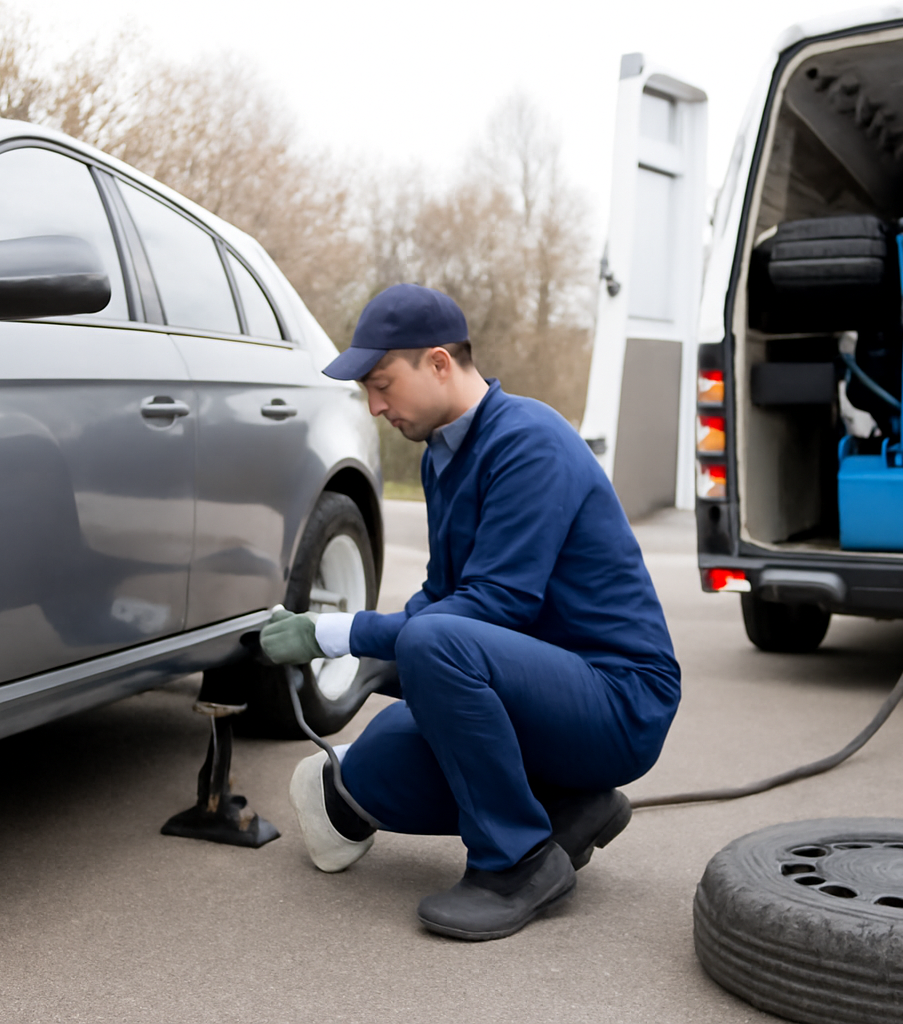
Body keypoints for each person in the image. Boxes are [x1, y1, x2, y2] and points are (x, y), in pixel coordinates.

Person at [260, 283, 681, 941]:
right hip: (536, 691)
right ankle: (570, 806)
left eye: (381, 383)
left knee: (434, 645)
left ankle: (517, 862)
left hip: (617, 699)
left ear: (437, 363)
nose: (374, 406)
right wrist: (379, 660)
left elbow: (492, 608)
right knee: (369, 771)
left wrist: (337, 633)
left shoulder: (529, 441)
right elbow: (444, 593)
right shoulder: (443, 456)